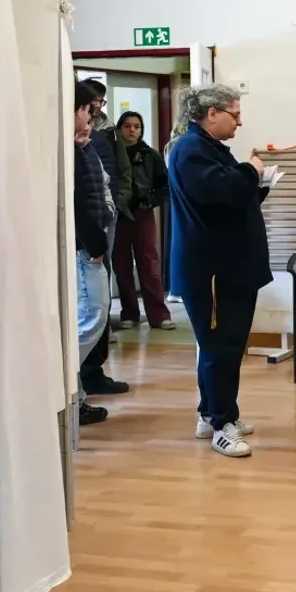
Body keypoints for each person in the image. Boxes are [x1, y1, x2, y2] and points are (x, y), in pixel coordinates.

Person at [169, 84, 272, 458]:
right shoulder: (191, 150)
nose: (239, 122)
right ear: (211, 113)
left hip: (229, 264)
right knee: (221, 347)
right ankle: (221, 424)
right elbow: (220, 189)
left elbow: (226, 200)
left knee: (222, 346)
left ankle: (210, 412)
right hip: (214, 269)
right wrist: (250, 170)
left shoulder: (207, 149)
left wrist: (254, 184)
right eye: (235, 114)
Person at [79, 78, 130, 396]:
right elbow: (78, 197)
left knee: (99, 309)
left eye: (99, 102)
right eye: (88, 105)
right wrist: (93, 241)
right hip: (87, 240)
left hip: (102, 227)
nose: (94, 110)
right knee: (91, 312)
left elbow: (110, 178)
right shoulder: (71, 145)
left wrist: (116, 206)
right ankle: (78, 381)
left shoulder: (101, 136)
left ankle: (91, 373)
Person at [72, 81, 113, 426]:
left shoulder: (82, 148)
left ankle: (75, 396)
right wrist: (95, 246)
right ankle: (63, 386)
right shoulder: (67, 151)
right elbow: (76, 206)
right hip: (85, 249)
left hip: (91, 246)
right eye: (86, 109)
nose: (89, 116)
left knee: (95, 320)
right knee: (91, 320)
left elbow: (101, 188)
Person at [114, 111, 175, 330]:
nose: (132, 130)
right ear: (120, 128)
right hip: (118, 215)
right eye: (128, 126)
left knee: (149, 264)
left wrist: (150, 201)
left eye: (137, 126)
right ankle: (129, 313)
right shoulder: (112, 153)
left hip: (143, 213)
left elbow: (165, 186)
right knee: (121, 265)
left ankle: (158, 315)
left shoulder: (151, 155)